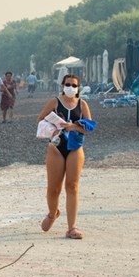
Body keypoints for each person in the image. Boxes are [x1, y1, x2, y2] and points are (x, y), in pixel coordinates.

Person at [35, 74, 92, 239]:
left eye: (74, 85)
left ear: (78, 88)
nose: (71, 88)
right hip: (56, 147)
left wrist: (73, 126)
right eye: (68, 84)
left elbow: (89, 126)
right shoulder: (54, 102)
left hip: (75, 148)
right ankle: (53, 213)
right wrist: (55, 126)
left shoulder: (82, 104)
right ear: (62, 85)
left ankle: (72, 227)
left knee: (72, 186)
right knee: (54, 189)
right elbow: (40, 120)